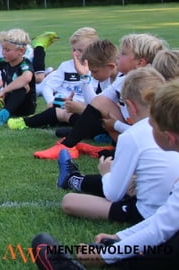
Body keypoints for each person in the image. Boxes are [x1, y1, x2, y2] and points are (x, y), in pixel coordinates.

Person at [32, 79, 179, 269]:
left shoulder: (133, 137)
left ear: (170, 137)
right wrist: (119, 237)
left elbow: (160, 228)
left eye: (152, 124)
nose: (147, 127)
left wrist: (104, 256)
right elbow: (167, 218)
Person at [58, 67, 179, 225]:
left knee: (69, 201)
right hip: (171, 204)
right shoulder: (171, 126)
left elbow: (113, 194)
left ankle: (72, 179)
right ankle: (73, 178)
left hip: (152, 213)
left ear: (130, 105)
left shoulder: (133, 135)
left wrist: (106, 173)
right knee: (131, 182)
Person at [33, 33, 167, 160]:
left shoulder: (148, 86)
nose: (118, 57)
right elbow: (95, 103)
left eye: (123, 54)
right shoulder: (124, 79)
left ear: (140, 62)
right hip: (133, 135)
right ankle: (69, 145)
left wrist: (117, 125)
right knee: (102, 103)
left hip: (151, 143)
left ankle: (81, 148)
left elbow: (148, 132)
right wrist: (85, 77)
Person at [6, 28, 100, 131]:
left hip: (83, 108)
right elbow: (48, 86)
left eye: (80, 50)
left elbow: (97, 98)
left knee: (76, 121)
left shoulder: (97, 70)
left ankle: (35, 120)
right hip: (62, 105)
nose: (75, 54)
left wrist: (81, 106)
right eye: (74, 50)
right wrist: (50, 101)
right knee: (55, 111)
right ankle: (25, 122)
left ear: (93, 51)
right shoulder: (65, 66)